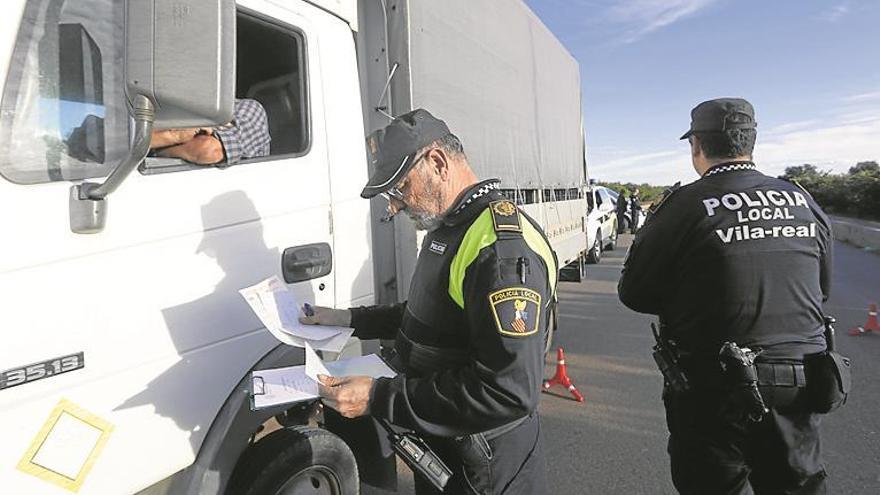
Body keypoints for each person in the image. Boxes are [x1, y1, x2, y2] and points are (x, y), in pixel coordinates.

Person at [302, 109, 556, 494]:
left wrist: (378, 396)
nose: (394, 206)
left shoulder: (497, 250)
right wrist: (347, 318)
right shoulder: (454, 227)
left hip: (485, 461)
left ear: (437, 163)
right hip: (445, 440)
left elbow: (508, 391)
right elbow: (431, 316)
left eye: (400, 188)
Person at [618, 98, 833, 494]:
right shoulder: (803, 200)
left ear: (696, 145)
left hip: (713, 388)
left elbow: (634, 293)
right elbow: (823, 288)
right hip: (800, 382)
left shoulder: (682, 205)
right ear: (751, 141)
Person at [149, 98, 270, 165]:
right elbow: (132, 140)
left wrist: (161, 145)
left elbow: (209, 150)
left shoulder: (248, 108)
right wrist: (174, 137)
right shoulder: (161, 106)